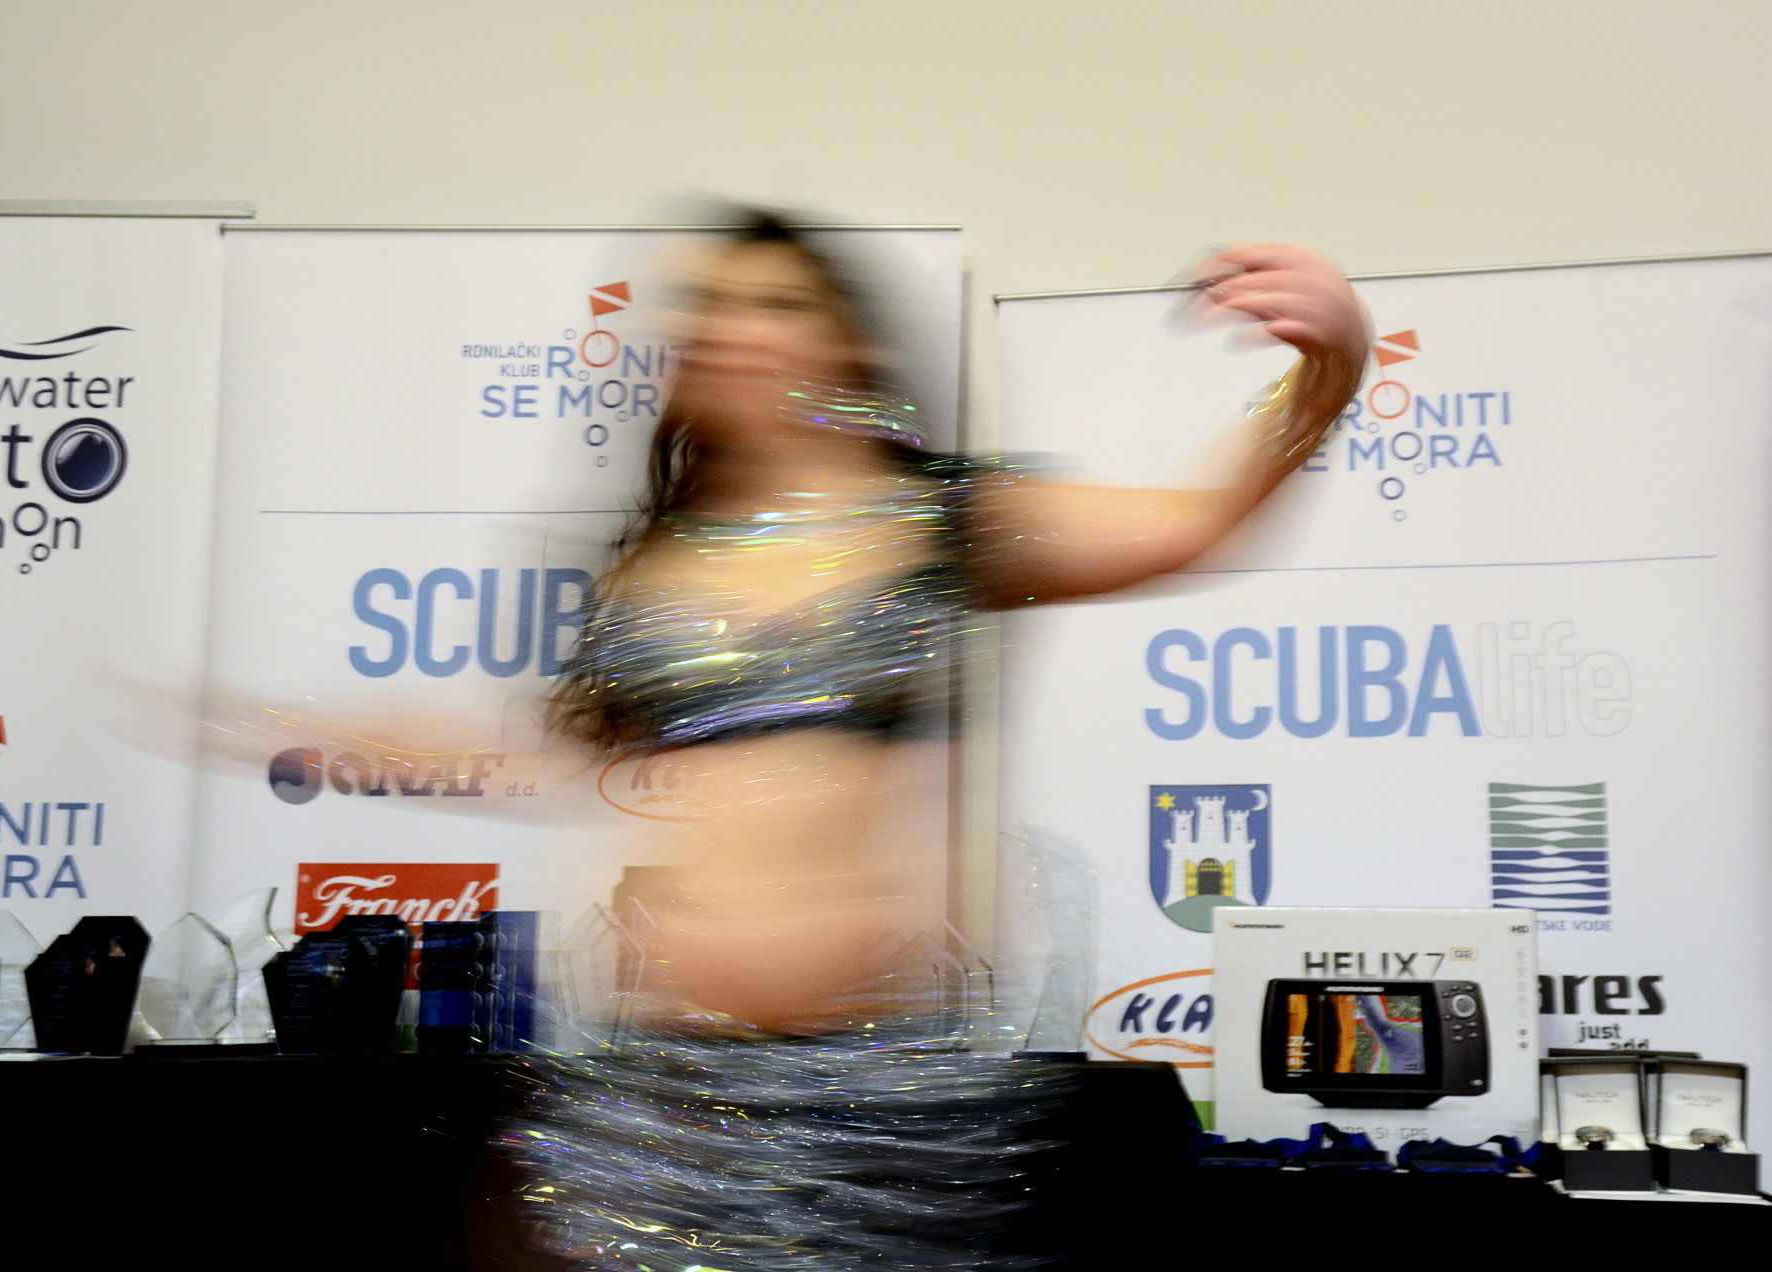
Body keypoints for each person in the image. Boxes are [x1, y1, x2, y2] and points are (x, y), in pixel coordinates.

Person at [507, 211, 1370, 1271]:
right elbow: (571, 765)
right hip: (666, 1106)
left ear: (849, 347)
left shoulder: (938, 520)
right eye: (713, 306)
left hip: (875, 1115)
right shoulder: (656, 567)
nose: (737, 330)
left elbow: (1198, 522)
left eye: (778, 304)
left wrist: (1331, 369)